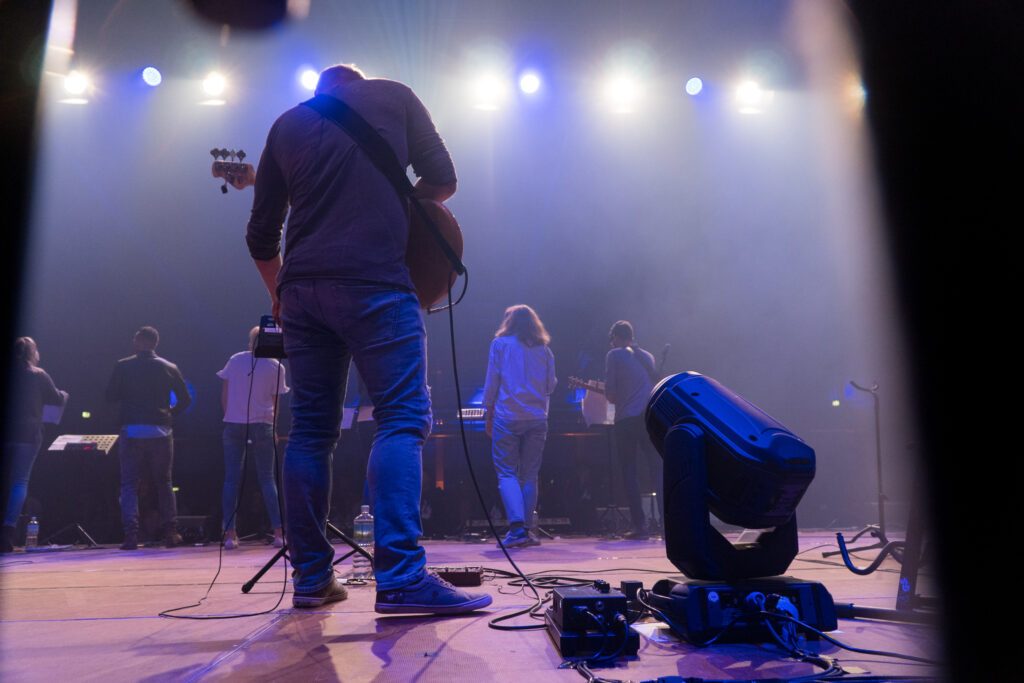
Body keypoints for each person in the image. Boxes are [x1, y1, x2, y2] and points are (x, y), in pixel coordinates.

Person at [246, 63, 491, 612]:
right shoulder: (396, 96)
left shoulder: (287, 124)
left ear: (320, 94)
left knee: (310, 431)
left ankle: (311, 580)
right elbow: (444, 180)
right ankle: (402, 580)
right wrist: (393, 207)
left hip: (303, 290)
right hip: (375, 282)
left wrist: (279, 294)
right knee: (401, 419)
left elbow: (260, 236)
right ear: (358, 85)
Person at [106, 326, 191, 550]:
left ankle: (131, 535)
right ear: (155, 343)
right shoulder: (169, 367)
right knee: (164, 482)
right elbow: (185, 399)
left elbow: (110, 396)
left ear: (139, 341)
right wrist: (169, 413)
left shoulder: (123, 366)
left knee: (129, 484)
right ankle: (170, 533)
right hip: (160, 430)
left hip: (132, 429)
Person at [482, 305, 557, 548]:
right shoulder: (544, 350)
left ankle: (516, 529)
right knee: (530, 474)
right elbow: (550, 386)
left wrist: (488, 412)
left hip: (508, 415)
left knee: (506, 472)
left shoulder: (500, 345)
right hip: (537, 417)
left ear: (509, 322)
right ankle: (525, 529)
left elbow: (492, 380)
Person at [217, 326, 289, 549]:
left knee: (231, 479)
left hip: (234, 423)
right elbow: (276, 404)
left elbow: (224, 396)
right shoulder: (276, 367)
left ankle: (230, 535)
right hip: (262, 424)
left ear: (250, 341)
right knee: (267, 479)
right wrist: (274, 427)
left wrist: (231, 416)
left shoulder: (236, 360)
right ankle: (278, 533)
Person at [2, 338, 67, 553]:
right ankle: (8, 532)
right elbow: (56, 399)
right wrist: (64, 395)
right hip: (28, 433)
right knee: (20, 481)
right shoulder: (38, 374)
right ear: (32, 353)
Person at [604, 320, 658, 540]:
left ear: (616, 337)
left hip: (626, 420)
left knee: (629, 471)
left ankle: (640, 526)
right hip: (648, 419)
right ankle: (667, 522)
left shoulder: (614, 355)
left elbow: (611, 394)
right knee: (657, 469)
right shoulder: (648, 356)